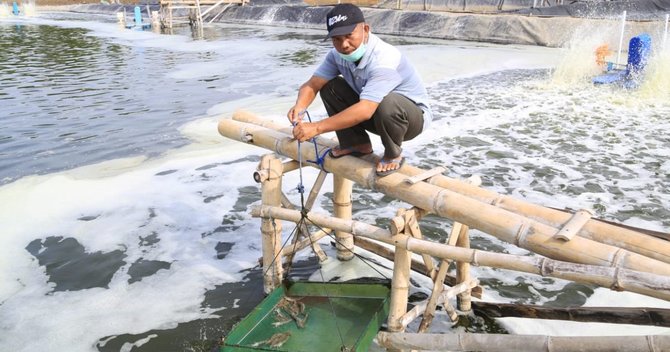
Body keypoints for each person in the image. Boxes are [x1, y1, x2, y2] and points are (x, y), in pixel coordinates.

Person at [288, 3, 432, 177]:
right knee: (329, 86)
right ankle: (355, 143)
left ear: (365, 29)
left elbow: (365, 109)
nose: (344, 45)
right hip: (376, 115)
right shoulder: (336, 56)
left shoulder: (385, 58)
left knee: (386, 102)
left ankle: (393, 153)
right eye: (337, 39)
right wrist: (300, 107)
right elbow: (313, 84)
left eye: (349, 36)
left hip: (409, 120)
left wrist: (316, 128)